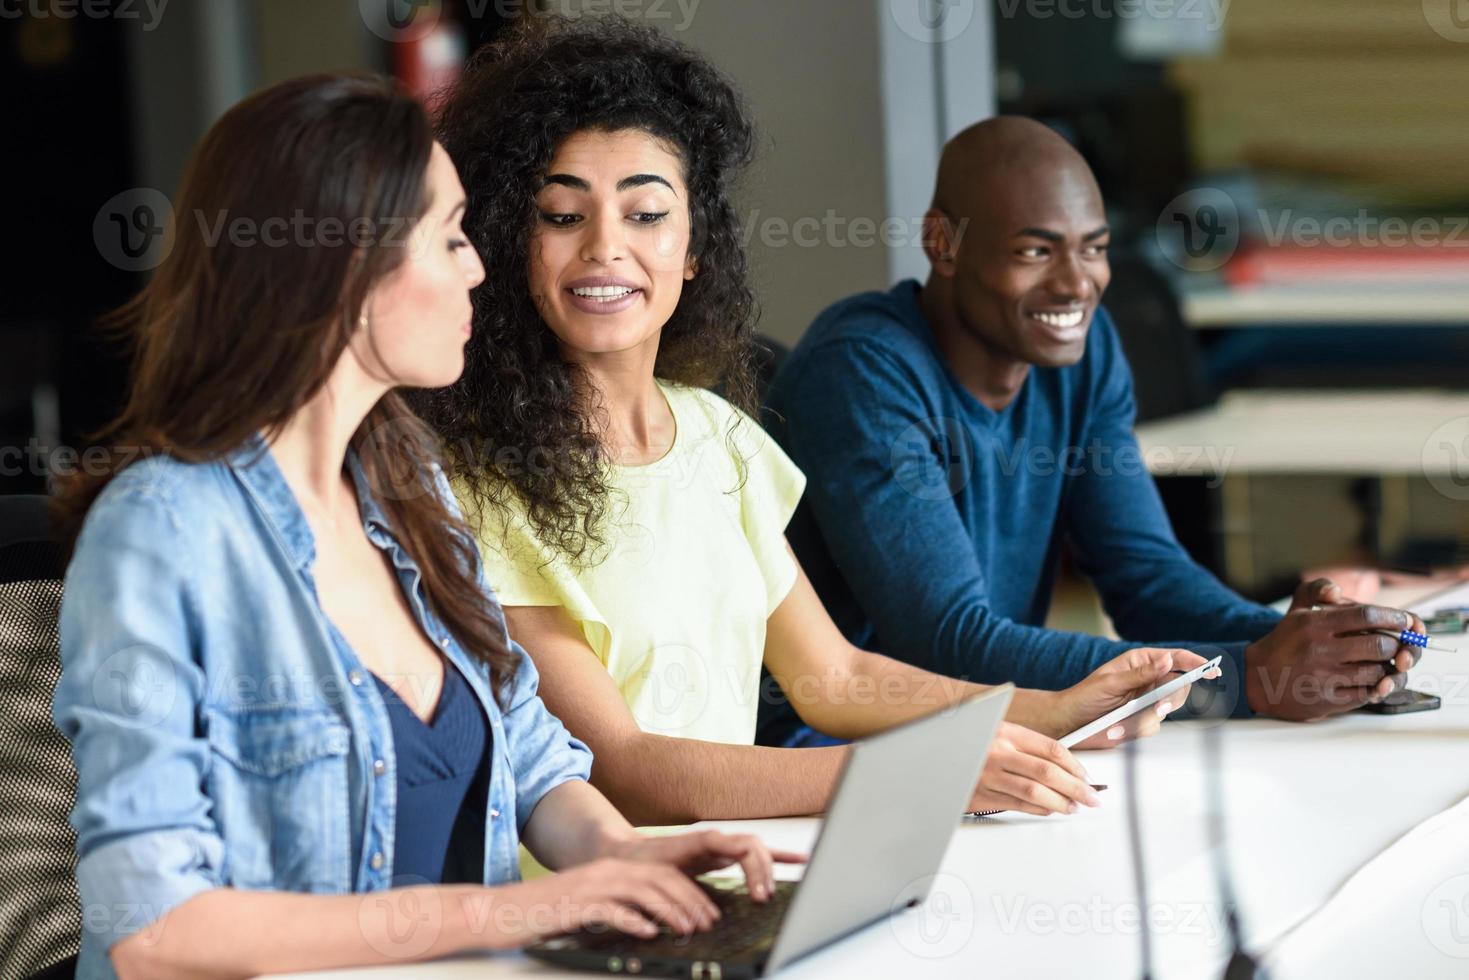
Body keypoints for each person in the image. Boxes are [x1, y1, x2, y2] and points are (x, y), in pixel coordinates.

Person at [52, 73, 795, 980]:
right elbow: (155, 928)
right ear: (345, 266)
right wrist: (524, 908)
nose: (479, 265)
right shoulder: (165, 532)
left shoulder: (410, 493)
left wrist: (618, 855)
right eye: (449, 237)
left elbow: (528, 748)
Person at [421, 18, 1207, 830]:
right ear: (511, 242)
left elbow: (836, 677)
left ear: (694, 246)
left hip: (733, 875)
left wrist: (1058, 710)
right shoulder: (479, 478)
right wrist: (924, 772)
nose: (605, 248)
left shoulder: (718, 436)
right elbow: (624, 769)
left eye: (646, 214)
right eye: (560, 216)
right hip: (589, 916)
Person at [757, 115, 1423, 746]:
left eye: (1094, 249)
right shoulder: (859, 374)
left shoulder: (1083, 349)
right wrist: (1248, 674)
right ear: (943, 243)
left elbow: (1144, 577)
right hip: (837, 756)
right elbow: (948, 639)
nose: (1076, 284)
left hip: (987, 740)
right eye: (1034, 251)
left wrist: (1317, 642)